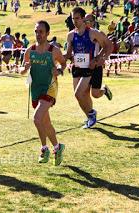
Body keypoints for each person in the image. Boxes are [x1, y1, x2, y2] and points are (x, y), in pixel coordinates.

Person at [20, 20, 66, 165]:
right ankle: (58, 147)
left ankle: (44, 149)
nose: (38, 34)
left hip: (49, 88)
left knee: (37, 118)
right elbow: (21, 70)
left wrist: (58, 70)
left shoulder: (53, 50)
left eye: (41, 31)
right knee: (46, 123)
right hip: (36, 89)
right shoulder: (30, 51)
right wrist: (25, 68)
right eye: (36, 31)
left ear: (47, 33)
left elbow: (64, 63)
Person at [64, 7, 113, 129]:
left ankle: (91, 115)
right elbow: (68, 54)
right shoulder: (70, 35)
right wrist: (55, 57)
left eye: (77, 18)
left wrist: (98, 59)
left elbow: (109, 46)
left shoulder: (92, 33)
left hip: (90, 67)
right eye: (72, 18)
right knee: (81, 96)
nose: (75, 21)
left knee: (82, 93)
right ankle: (90, 116)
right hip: (78, 67)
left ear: (83, 19)